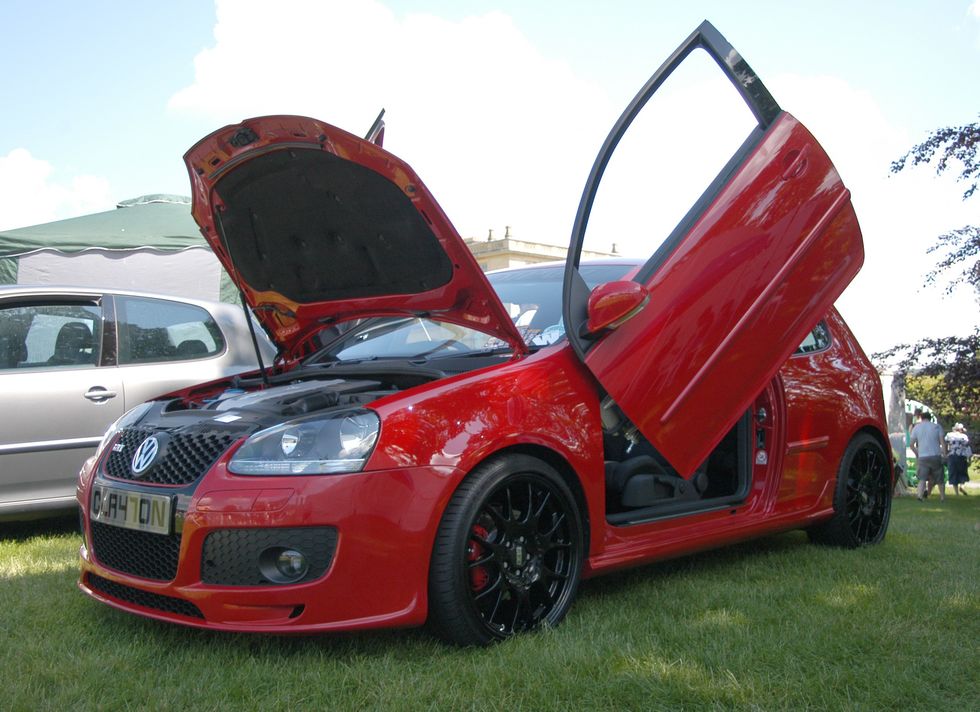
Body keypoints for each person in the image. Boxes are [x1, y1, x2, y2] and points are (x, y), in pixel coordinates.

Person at [910, 410, 946, 502]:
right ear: (930, 418)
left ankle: (919, 496)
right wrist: (944, 455)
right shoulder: (937, 427)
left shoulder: (917, 428)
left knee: (922, 478)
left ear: (921, 418)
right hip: (935, 455)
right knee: (940, 478)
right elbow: (943, 442)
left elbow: (911, 444)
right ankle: (942, 497)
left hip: (923, 456)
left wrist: (917, 453)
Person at [945, 423, 972, 496]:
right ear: (961, 429)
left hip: (952, 455)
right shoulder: (964, 436)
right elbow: (967, 448)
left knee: (953, 473)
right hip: (961, 456)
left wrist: (945, 454)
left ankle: (957, 493)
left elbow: (946, 445)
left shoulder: (949, 435)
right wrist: (969, 458)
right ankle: (962, 486)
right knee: (962, 473)